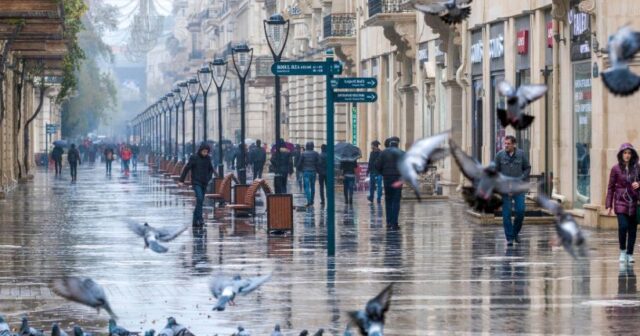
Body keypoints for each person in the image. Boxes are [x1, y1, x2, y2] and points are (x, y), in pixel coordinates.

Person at [494, 135, 531, 246]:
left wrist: (521, 178)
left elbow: (527, 167)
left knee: (520, 212)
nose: (506, 145)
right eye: (505, 143)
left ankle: (515, 233)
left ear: (514, 144)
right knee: (506, 214)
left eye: (508, 144)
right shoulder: (499, 155)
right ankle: (509, 238)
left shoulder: (521, 154)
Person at [606, 143, 640, 263]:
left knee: (632, 230)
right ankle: (622, 251)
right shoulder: (615, 169)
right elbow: (610, 187)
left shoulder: (637, 168)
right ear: (621, 154)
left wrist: (639, 184)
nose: (627, 155)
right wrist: (609, 204)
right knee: (623, 226)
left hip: (634, 202)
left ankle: (630, 254)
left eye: (629, 153)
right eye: (625, 153)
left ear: (632, 154)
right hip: (620, 201)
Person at [179, 143, 215, 226]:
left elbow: (211, 170)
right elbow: (186, 168)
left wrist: (208, 178)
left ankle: (195, 221)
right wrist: (181, 180)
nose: (205, 153)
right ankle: (200, 219)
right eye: (204, 151)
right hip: (196, 182)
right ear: (201, 150)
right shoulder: (194, 158)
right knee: (199, 198)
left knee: (200, 201)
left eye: (207, 152)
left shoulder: (208, 159)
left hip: (204, 183)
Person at [375, 136, 404, 228]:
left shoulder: (383, 153)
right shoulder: (402, 153)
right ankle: (394, 223)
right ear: (398, 144)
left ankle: (388, 222)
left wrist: (382, 173)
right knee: (396, 200)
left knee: (388, 200)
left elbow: (377, 165)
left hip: (387, 178)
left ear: (390, 143)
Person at [297, 141, 321, 207]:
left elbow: (299, 163)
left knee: (307, 187)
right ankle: (312, 200)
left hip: (306, 172)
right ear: (313, 146)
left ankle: (309, 200)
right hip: (313, 171)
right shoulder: (316, 153)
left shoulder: (303, 154)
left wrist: (300, 169)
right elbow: (319, 162)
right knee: (312, 186)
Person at [367, 140, 383, 204]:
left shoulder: (381, 153)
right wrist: (368, 170)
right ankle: (371, 197)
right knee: (372, 186)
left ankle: (378, 198)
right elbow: (370, 162)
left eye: (372, 145)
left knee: (379, 186)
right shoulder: (371, 153)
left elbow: (382, 163)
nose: (371, 146)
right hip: (372, 172)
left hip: (379, 172)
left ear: (374, 146)